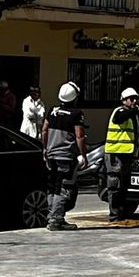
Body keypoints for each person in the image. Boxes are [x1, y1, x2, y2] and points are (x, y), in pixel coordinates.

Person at [42, 82, 88, 231]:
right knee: (63, 187)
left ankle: (51, 216)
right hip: (66, 157)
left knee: (52, 186)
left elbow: (44, 130)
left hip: (51, 155)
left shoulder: (52, 111)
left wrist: (45, 149)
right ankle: (56, 220)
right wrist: (83, 155)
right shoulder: (76, 114)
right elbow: (79, 136)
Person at [102, 86, 139, 221]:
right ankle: (114, 214)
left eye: (136, 99)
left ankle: (121, 212)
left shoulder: (133, 115)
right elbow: (119, 118)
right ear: (124, 100)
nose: (134, 101)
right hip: (115, 153)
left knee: (123, 185)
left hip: (126, 154)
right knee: (114, 185)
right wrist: (136, 110)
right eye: (131, 99)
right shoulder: (120, 111)